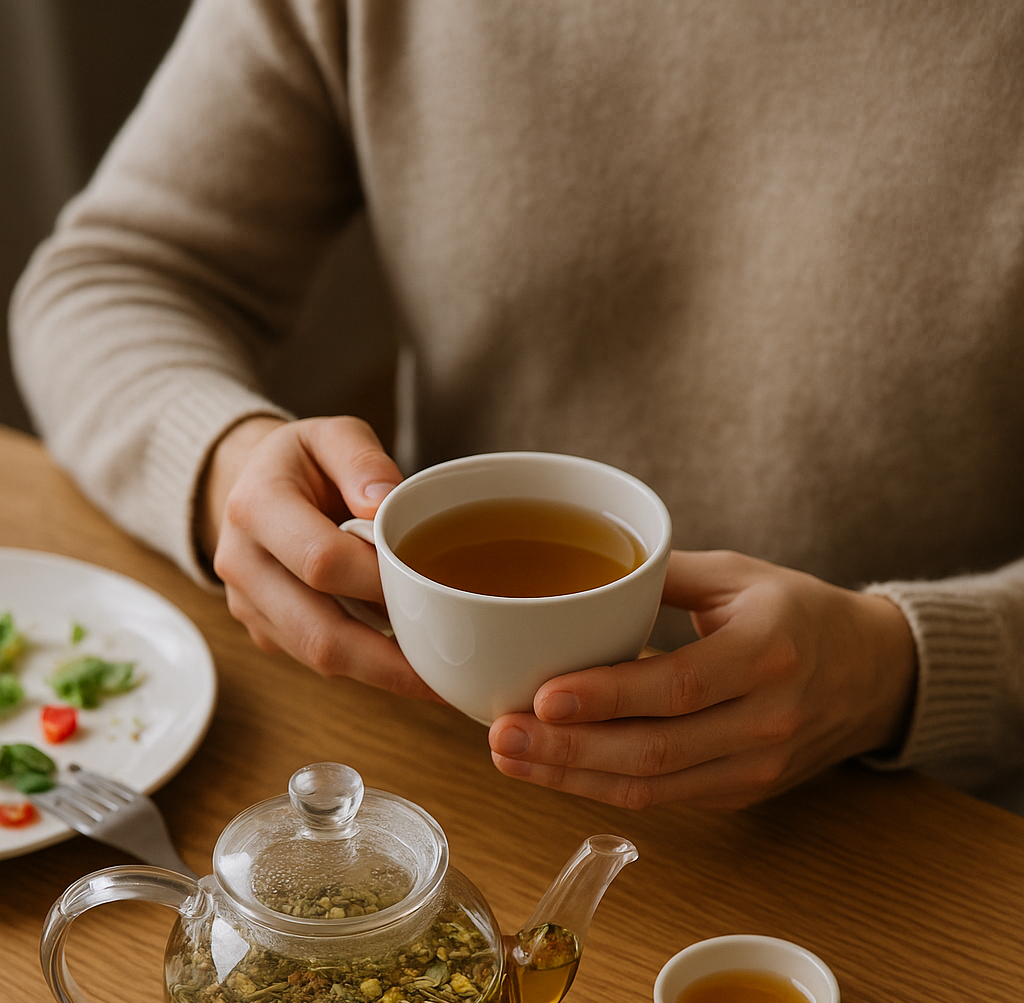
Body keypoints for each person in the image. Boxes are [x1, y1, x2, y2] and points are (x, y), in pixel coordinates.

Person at [10, 1, 1024, 811]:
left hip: (913, 819)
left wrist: (908, 666)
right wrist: (231, 463)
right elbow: (111, 277)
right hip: (447, 762)